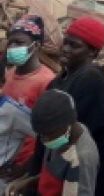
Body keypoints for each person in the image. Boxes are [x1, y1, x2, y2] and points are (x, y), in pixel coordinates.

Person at [41, 18, 104, 196]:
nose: (65, 49)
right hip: (65, 164)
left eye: (74, 46)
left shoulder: (90, 79)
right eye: (66, 42)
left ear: (93, 52)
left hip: (85, 171)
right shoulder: (60, 79)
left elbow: (78, 132)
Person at [5, 90, 100, 196]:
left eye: (48, 134)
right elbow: (52, 173)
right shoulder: (58, 136)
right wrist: (28, 182)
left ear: (67, 124)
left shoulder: (82, 159)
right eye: (41, 134)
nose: (44, 140)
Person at [1, 17, 55, 177]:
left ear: (36, 45)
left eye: (19, 43)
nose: (12, 47)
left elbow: (48, 134)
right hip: (5, 158)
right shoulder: (9, 75)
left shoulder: (46, 81)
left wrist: (24, 168)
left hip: (23, 166)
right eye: (10, 43)